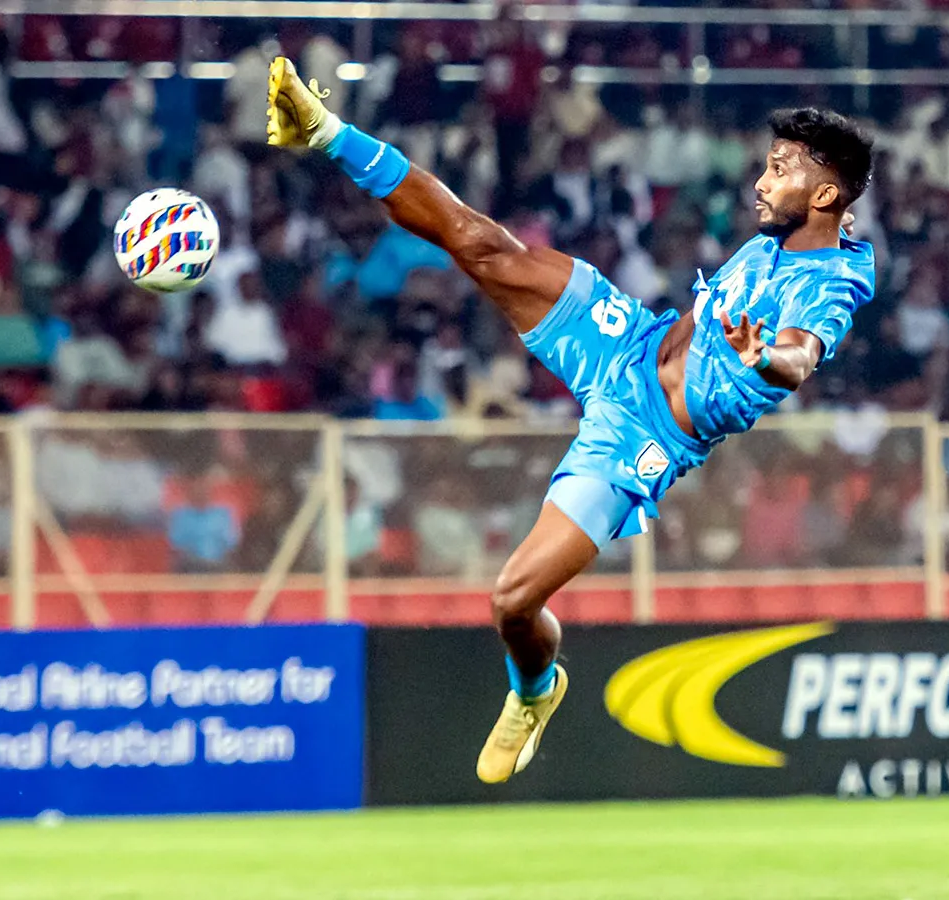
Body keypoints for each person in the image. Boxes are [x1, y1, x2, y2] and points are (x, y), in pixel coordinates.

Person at [267, 59, 875, 784]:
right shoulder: (778, 239)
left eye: (780, 170)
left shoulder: (834, 280)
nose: (761, 182)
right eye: (767, 166)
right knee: (485, 245)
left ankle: (534, 690)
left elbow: (800, 359)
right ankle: (324, 130)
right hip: (629, 343)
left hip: (643, 440)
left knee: (514, 600)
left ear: (826, 193)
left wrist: (761, 359)